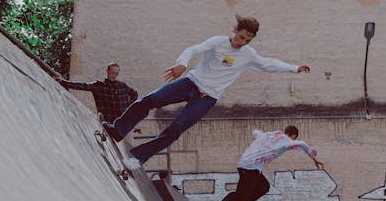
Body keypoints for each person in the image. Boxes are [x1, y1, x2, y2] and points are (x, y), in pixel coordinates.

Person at [102, 15, 311, 170]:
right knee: (150, 99)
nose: (242, 42)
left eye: (248, 40)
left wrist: (294, 68)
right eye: (241, 37)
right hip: (191, 83)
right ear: (235, 30)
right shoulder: (218, 42)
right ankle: (119, 129)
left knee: (176, 129)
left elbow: (268, 64)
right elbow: (193, 49)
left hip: (208, 98)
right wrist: (182, 64)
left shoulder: (248, 55)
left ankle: (138, 158)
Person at [198, 125, 324, 201]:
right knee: (239, 195)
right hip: (251, 168)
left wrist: (259, 133)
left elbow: (255, 132)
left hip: (244, 164)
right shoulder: (286, 141)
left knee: (264, 187)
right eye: (293, 138)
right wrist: (314, 159)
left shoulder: (268, 135)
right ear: (293, 135)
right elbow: (301, 144)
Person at [55, 63, 138, 123]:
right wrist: (63, 81)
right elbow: (82, 85)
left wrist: (128, 106)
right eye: (112, 73)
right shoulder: (99, 85)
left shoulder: (122, 85)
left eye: (116, 74)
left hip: (122, 122)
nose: (114, 75)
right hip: (107, 122)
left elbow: (135, 94)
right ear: (107, 71)